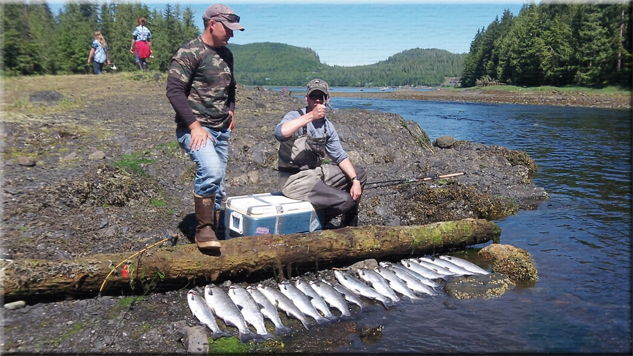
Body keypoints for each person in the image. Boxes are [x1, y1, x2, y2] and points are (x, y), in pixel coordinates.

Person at [166, 4, 244, 250]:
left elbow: (230, 87)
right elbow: (174, 91)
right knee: (210, 170)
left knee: (218, 183)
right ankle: (203, 230)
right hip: (196, 130)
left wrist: (231, 109)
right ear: (213, 24)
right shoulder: (190, 52)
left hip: (221, 129)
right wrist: (194, 126)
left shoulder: (227, 54)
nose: (231, 34)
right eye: (228, 29)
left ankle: (217, 227)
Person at [275, 79, 367, 228]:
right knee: (346, 200)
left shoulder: (327, 126)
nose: (317, 100)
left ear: (327, 99)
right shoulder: (294, 116)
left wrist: (355, 180)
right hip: (295, 180)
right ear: (307, 98)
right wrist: (310, 116)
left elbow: (340, 156)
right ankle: (314, 223)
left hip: (317, 173)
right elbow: (280, 133)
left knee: (360, 174)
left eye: (321, 97)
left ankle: (349, 228)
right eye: (313, 96)